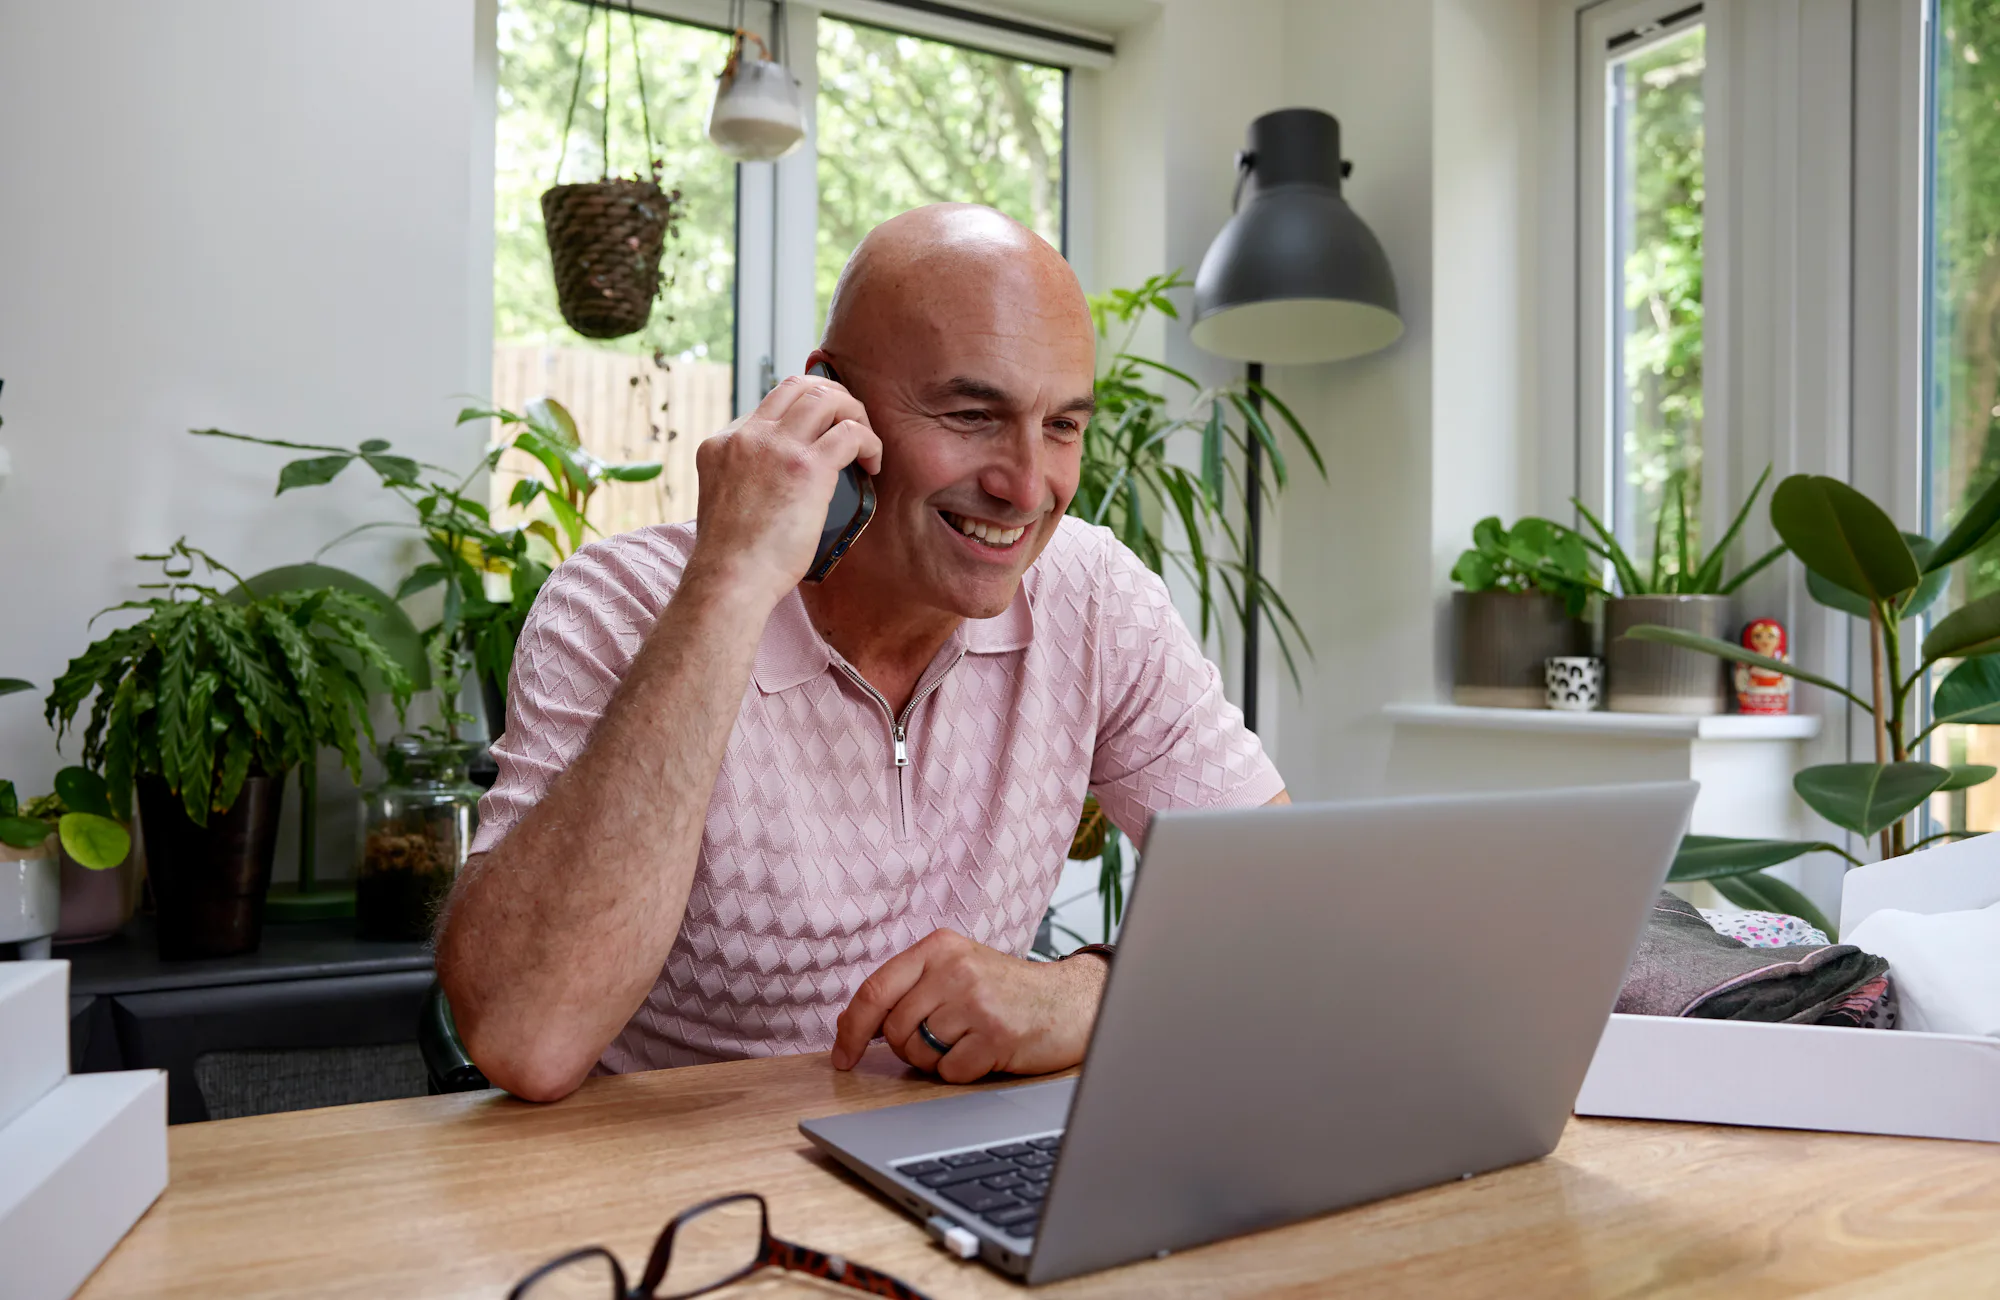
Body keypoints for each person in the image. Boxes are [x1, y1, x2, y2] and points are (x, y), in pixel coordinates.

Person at [436, 204, 1287, 1103]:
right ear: (828, 402)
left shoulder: (1093, 596)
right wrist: (731, 583)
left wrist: (1084, 992)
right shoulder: (622, 604)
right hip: (680, 1175)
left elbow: (1285, 909)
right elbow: (526, 1038)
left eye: (1063, 427)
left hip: (950, 1159)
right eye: (972, 414)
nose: (1028, 486)